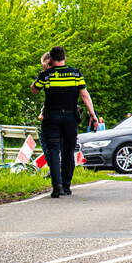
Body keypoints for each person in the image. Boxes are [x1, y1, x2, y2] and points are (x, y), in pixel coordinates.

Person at [31, 46, 98, 198]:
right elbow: (84, 95)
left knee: (54, 152)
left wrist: (40, 75)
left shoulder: (46, 75)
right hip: (70, 118)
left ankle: (57, 187)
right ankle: (67, 186)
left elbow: (34, 90)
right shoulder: (75, 74)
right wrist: (93, 115)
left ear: (51, 59)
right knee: (68, 151)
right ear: (64, 58)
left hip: (51, 118)